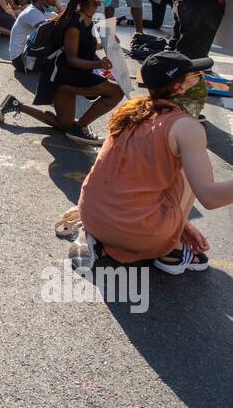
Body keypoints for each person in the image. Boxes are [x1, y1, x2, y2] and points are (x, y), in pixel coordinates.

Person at [77, 51, 231, 273]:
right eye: (196, 74)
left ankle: (103, 241)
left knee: (171, 165)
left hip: (93, 215)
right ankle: (172, 253)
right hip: (136, 232)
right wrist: (175, 228)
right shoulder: (187, 128)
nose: (201, 78)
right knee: (191, 172)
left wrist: (183, 224)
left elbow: (129, 179)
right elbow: (209, 197)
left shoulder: (131, 111)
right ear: (180, 87)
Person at [0, 0, 124, 145]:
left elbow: (80, 47)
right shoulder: (75, 22)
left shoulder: (87, 19)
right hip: (62, 77)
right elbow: (72, 59)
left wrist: (103, 46)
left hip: (69, 75)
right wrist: (98, 64)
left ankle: (16, 104)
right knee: (116, 91)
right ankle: (80, 128)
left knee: (64, 124)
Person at [8, 0, 58, 72]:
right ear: (41, 0)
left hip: (26, 55)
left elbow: (59, 18)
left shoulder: (41, 11)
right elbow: (47, 30)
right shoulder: (32, 12)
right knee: (56, 36)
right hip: (21, 60)